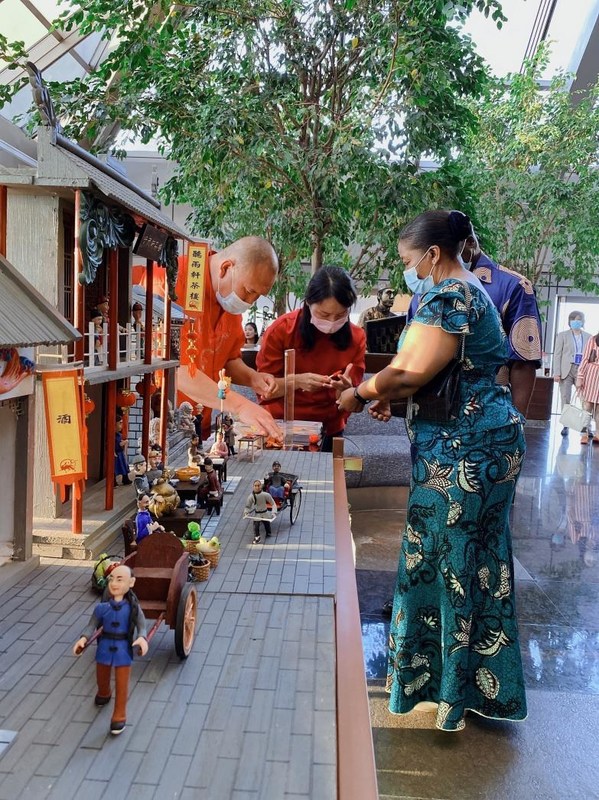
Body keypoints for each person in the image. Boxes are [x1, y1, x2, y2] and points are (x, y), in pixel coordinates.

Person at [338, 209, 527, 732]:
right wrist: (396, 398)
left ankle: (447, 695)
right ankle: (476, 688)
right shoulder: (468, 292)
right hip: (484, 443)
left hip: (465, 454)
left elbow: (409, 370)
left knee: (443, 560)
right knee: (475, 562)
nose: (410, 271)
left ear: (433, 255)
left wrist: (361, 393)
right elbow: (440, 373)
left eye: (408, 261)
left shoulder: (450, 296)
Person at [175, 236, 282, 440]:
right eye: (249, 291)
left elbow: (229, 358)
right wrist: (240, 406)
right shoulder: (177, 280)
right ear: (225, 268)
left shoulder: (229, 301)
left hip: (199, 426)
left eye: (258, 296)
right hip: (162, 424)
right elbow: (175, 370)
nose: (249, 302)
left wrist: (253, 378)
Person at [257, 266, 366, 452]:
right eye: (324, 315)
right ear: (308, 302)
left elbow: (353, 403)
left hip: (329, 428)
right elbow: (263, 389)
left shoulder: (356, 337)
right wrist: (297, 381)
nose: (332, 322)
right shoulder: (282, 329)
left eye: (340, 315)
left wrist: (346, 391)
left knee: (326, 478)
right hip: (281, 427)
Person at [73, 564, 148, 735]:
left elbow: (141, 624)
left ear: (131, 582)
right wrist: (83, 639)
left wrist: (142, 638)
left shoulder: (133, 608)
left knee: (122, 683)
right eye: (111, 579)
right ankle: (104, 692)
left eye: (119, 579)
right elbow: (91, 625)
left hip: (123, 648)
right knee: (101, 675)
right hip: (105, 646)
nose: (114, 583)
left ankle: (119, 715)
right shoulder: (101, 608)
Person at [553, 311, 591, 436]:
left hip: (582, 371)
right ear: (570, 321)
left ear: (583, 321)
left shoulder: (588, 336)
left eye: (579, 320)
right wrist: (556, 372)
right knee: (566, 397)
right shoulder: (563, 335)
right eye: (574, 319)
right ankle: (566, 425)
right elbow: (557, 354)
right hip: (566, 371)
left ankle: (586, 426)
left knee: (585, 399)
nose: (577, 322)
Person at [576, 332, 599, 445]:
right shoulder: (593, 339)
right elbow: (585, 358)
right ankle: (583, 434)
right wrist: (580, 377)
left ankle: (598, 434)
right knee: (587, 405)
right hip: (591, 375)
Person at [245, 479, 275, 544]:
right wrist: (246, 512)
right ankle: (257, 537)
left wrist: (273, 512)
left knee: (267, 524)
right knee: (256, 526)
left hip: (265, 512)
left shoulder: (265, 495)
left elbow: (273, 503)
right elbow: (248, 506)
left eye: (258, 485)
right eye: (255, 485)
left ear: (261, 486)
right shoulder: (251, 496)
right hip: (257, 513)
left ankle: (268, 532)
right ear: (253, 486)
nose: (257, 487)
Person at [114, 418, 132, 487]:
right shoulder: (112, 435)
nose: (121, 425)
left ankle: (125, 479)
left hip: (121, 453)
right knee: (115, 468)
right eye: (120, 423)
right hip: (116, 453)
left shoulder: (119, 435)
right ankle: (113, 481)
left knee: (124, 466)